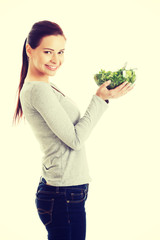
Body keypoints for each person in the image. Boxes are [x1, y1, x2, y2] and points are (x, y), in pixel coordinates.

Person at [13, 20, 134, 240]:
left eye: (60, 52)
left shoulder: (43, 86)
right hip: (63, 194)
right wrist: (99, 99)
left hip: (66, 191)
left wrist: (103, 99)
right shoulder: (38, 90)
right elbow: (75, 139)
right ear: (29, 49)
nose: (56, 60)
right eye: (48, 51)